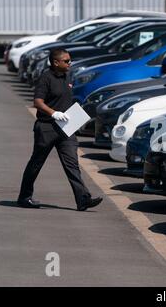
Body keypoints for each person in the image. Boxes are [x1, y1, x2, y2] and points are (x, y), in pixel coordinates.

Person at [17, 48, 103, 211]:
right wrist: (53, 113)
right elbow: (38, 102)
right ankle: (24, 197)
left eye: (70, 60)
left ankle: (83, 199)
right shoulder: (46, 77)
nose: (70, 63)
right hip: (47, 127)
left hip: (66, 128)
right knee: (36, 162)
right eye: (66, 61)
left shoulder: (67, 75)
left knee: (72, 164)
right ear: (56, 62)